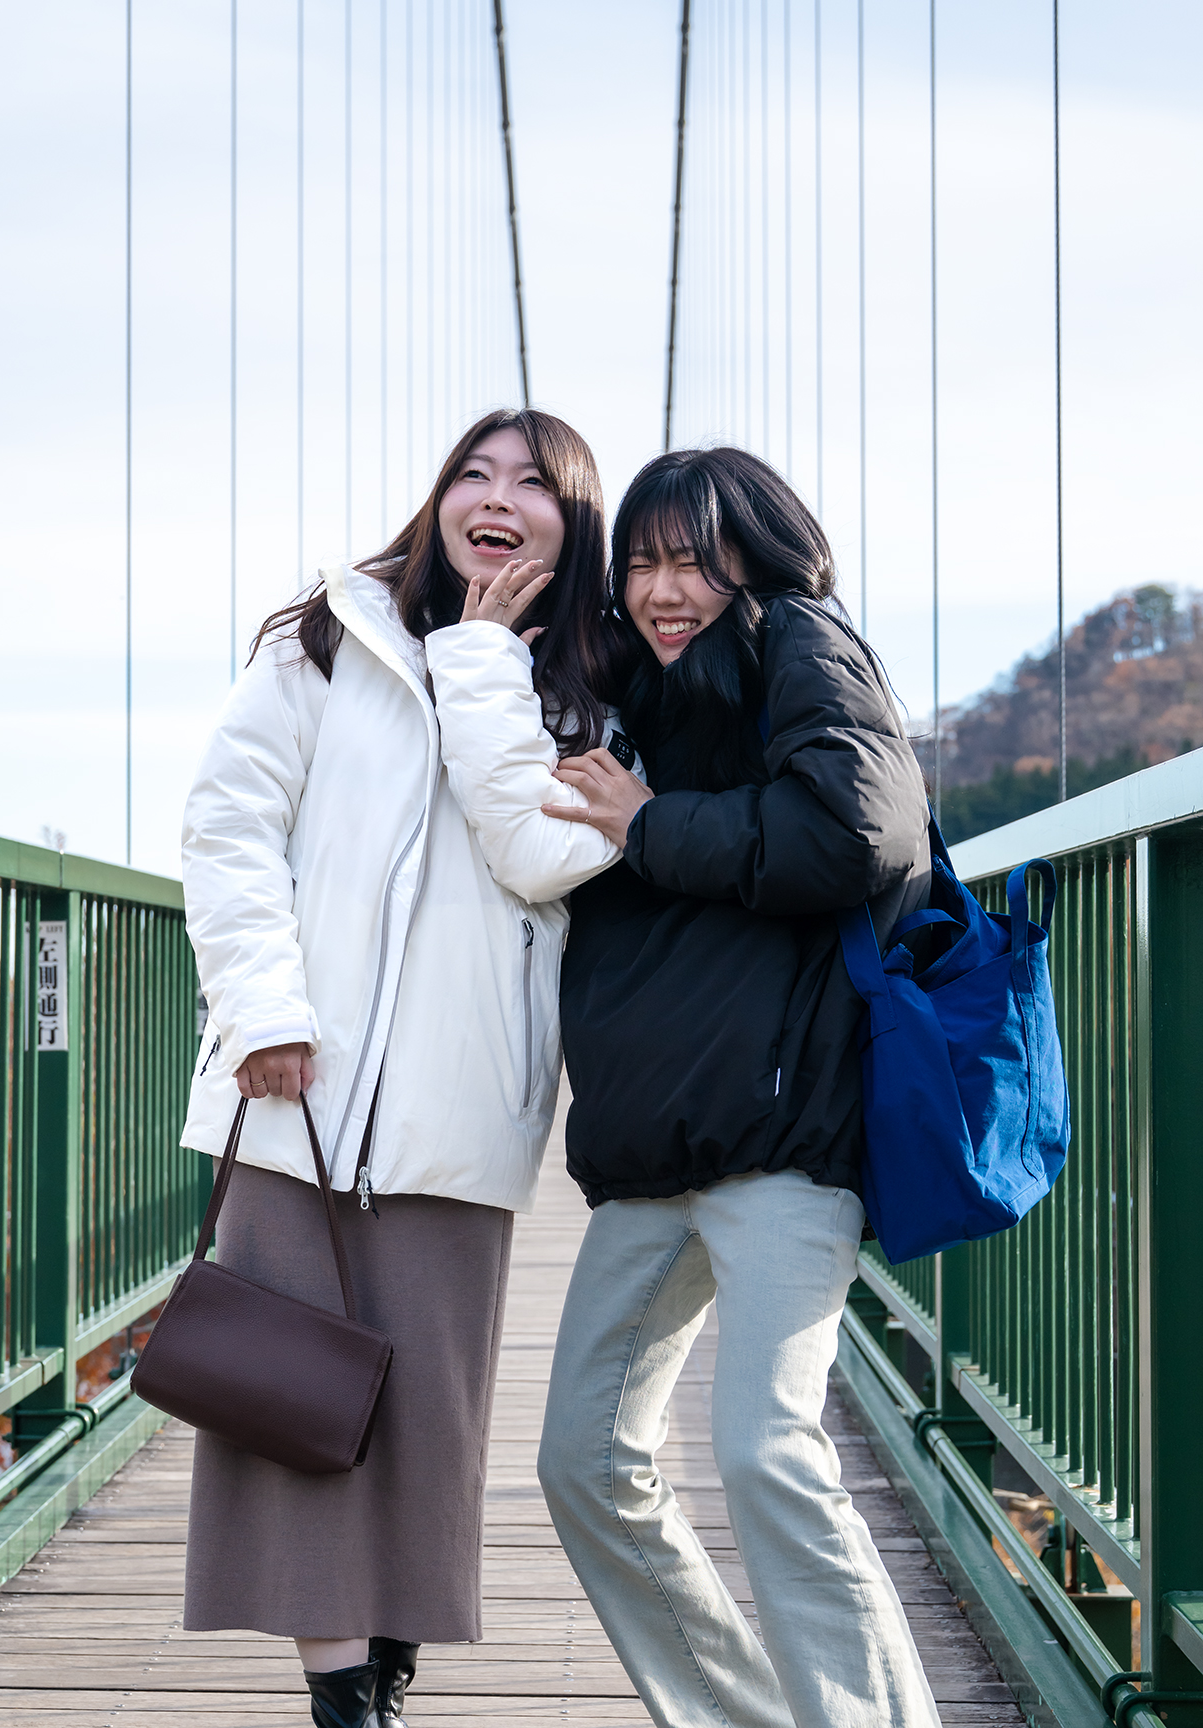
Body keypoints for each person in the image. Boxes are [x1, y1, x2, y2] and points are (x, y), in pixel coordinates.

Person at [176, 408, 635, 1728]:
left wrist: (483, 662)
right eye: (471, 475)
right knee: (287, 1405)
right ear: (438, 500)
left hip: (456, 1114)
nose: (495, 498)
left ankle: (382, 1656)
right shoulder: (327, 638)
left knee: (422, 1421)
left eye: (532, 484)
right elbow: (230, 824)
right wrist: (264, 1010)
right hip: (294, 1094)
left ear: (573, 523)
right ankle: (346, 1696)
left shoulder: (599, 695)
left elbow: (538, 856)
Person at [527, 446, 942, 1727]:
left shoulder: (803, 641)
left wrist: (649, 824)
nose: (663, 591)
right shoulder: (627, 687)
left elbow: (863, 832)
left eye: (693, 563)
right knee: (582, 1458)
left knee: (767, 1450)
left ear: (756, 560)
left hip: (784, 1129)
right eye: (640, 563)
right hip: (656, 1144)